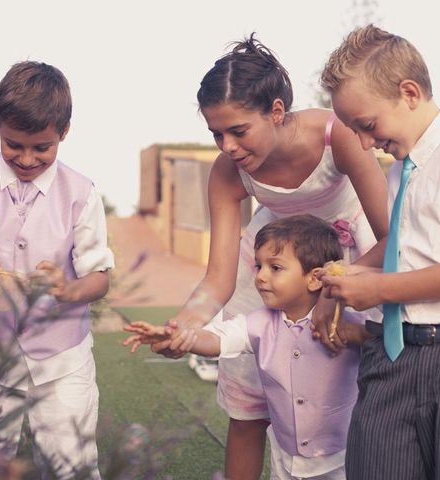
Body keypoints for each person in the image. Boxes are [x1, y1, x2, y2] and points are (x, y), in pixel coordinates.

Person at [150, 33, 389, 479]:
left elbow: (392, 237)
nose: (227, 146)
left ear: (276, 112)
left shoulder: (336, 136)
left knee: (344, 396)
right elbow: (217, 278)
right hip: (271, 264)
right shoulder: (227, 172)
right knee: (248, 406)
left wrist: (334, 289)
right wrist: (183, 327)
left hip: (351, 258)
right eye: (216, 133)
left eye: (238, 131)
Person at [317, 24, 440, 480]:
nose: (364, 143)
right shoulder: (402, 168)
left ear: (408, 92)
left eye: (367, 125)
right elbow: (403, 246)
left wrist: (382, 288)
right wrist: (344, 280)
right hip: (394, 353)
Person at [0, 61, 114, 478]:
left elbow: (99, 277)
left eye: (42, 148)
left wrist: (70, 290)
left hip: (63, 360)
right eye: (14, 145)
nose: (27, 159)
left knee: (71, 465)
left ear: (64, 132)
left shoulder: (82, 195)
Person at [126, 215, 373, 480]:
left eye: (275, 267)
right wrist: (182, 337)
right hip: (285, 457)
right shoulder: (260, 321)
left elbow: (384, 345)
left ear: (314, 279)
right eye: (259, 266)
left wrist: (360, 335)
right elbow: (219, 338)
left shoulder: (347, 323)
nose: (261, 277)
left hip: (341, 459)